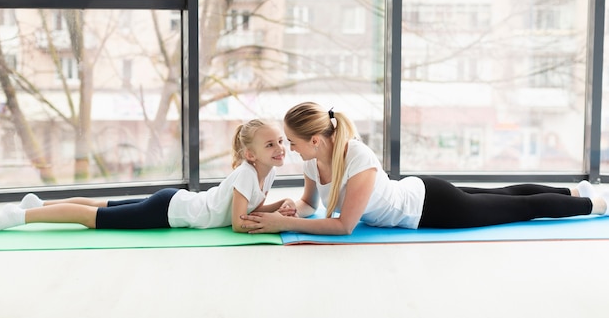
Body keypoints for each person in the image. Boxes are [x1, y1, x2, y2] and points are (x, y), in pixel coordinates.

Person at [240, 102, 609, 235]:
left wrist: (283, 223)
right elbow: (311, 205)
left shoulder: (358, 158)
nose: (288, 148)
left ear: (316, 140)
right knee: (506, 194)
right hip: (423, 192)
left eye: (292, 141)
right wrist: (291, 209)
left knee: (520, 208)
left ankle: (597, 205)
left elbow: (343, 225)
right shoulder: (311, 159)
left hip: (433, 207)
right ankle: (576, 191)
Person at [0, 119, 296, 232]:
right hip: (170, 211)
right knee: (93, 217)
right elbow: (241, 225)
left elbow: (246, 211)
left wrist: (277, 204)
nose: (281, 148)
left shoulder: (266, 172)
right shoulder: (246, 173)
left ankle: (36, 204)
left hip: (175, 202)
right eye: (271, 144)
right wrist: (281, 223)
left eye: (281, 141)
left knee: (106, 206)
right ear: (250, 154)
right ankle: (19, 216)